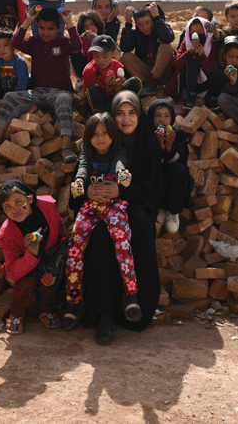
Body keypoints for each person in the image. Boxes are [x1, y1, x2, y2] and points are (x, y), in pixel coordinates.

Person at [77, 92, 161, 344]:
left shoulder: (148, 144)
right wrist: (89, 191)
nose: (126, 119)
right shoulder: (99, 143)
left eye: (132, 113)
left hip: (136, 208)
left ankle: (135, 304)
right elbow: (78, 186)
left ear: (139, 115)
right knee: (100, 236)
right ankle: (105, 314)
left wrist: (121, 191)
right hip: (100, 208)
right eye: (120, 114)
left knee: (137, 228)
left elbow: (154, 188)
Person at [62, 113, 141, 330]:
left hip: (114, 206)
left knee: (122, 243)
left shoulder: (118, 152)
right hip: (91, 206)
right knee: (74, 248)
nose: (101, 138)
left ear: (113, 135)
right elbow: (83, 170)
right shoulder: (87, 154)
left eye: (105, 133)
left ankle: (130, 295)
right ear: (88, 137)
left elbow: (119, 165)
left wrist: (123, 175)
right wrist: (79, 183)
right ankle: (74, 302)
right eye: (95, 134)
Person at [0, 8, 81, 165]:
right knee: (9, 97)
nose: (45, 32)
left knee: (64, 99)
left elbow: (77, 46)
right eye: (42, 28)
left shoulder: (62, 43)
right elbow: (15, 43)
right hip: (37, 93)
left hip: (59, 92)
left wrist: (69, 23)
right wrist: (28, 21)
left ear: (58, 28)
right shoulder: (34, 43)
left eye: (50, 28)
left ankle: (66, 148)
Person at [0, 180, 66, 334]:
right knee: (27, 280)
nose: (15, 210)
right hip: (24, 264)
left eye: (18, 202)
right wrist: (31, 254)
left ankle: (46, 309)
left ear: (29, 199)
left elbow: (58, 223)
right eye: (8, 207)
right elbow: (13, 271)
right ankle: (17, 312)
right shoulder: (6, 233)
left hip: (51, 255)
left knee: (52, 272)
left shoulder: (46, 206)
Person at [148, 98, 194, 234]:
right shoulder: (146, 135)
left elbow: (182, 162)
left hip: (173, 182)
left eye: (166, 116)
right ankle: (160, 208)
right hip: (155, 181)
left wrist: (169, 148)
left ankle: (173, 211)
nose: (162, 120)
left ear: (172, 118)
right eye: (157, 115)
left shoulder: (178, 134)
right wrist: (158, 149)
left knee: (180, 170)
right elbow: (147, 164)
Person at [168, 16, 224, 108]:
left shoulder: (211, 43)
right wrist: (190, 52)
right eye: (193, 32)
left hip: (206, 82)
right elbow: (177, 64)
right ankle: (190, 97)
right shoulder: (186, 43)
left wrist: (202, 56)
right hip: (188, 82)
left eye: (200, 32)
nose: (197, 35)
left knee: (220, 73)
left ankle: (210, 99)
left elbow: (211, 69)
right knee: (193, 63)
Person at [120, 3, 175, 95]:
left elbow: (169, 38)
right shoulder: (136, 33)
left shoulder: (160, 27)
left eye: (147, 23)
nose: (145, 27)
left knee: (166, 46)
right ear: (136, 24)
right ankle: (146, 84)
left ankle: (153, 81)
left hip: (164, 72)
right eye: (140, 24)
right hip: (147, 73)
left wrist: (157, 18)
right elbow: (125, 48)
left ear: (152, 20)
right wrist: (128, 24)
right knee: (125, 56)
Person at [83, 34, 142, 114]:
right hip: (100, 104)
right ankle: (102, 117)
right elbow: (94, 96)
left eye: (105, 56)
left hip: (116, 101)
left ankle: (124, 111)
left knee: (135, 81)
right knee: (94, 88)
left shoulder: (118, 66)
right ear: (92, 54)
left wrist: (118, 87)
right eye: (97, 56)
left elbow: (117, 94)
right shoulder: (89, 70)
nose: (101, 60)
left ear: (114, 53)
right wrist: (108, 88)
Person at [71, 10, 105, 81]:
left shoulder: (105, 39)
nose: (89, 29)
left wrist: (96, 40)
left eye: (92, 24)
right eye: (86, 26)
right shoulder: (81, 42)